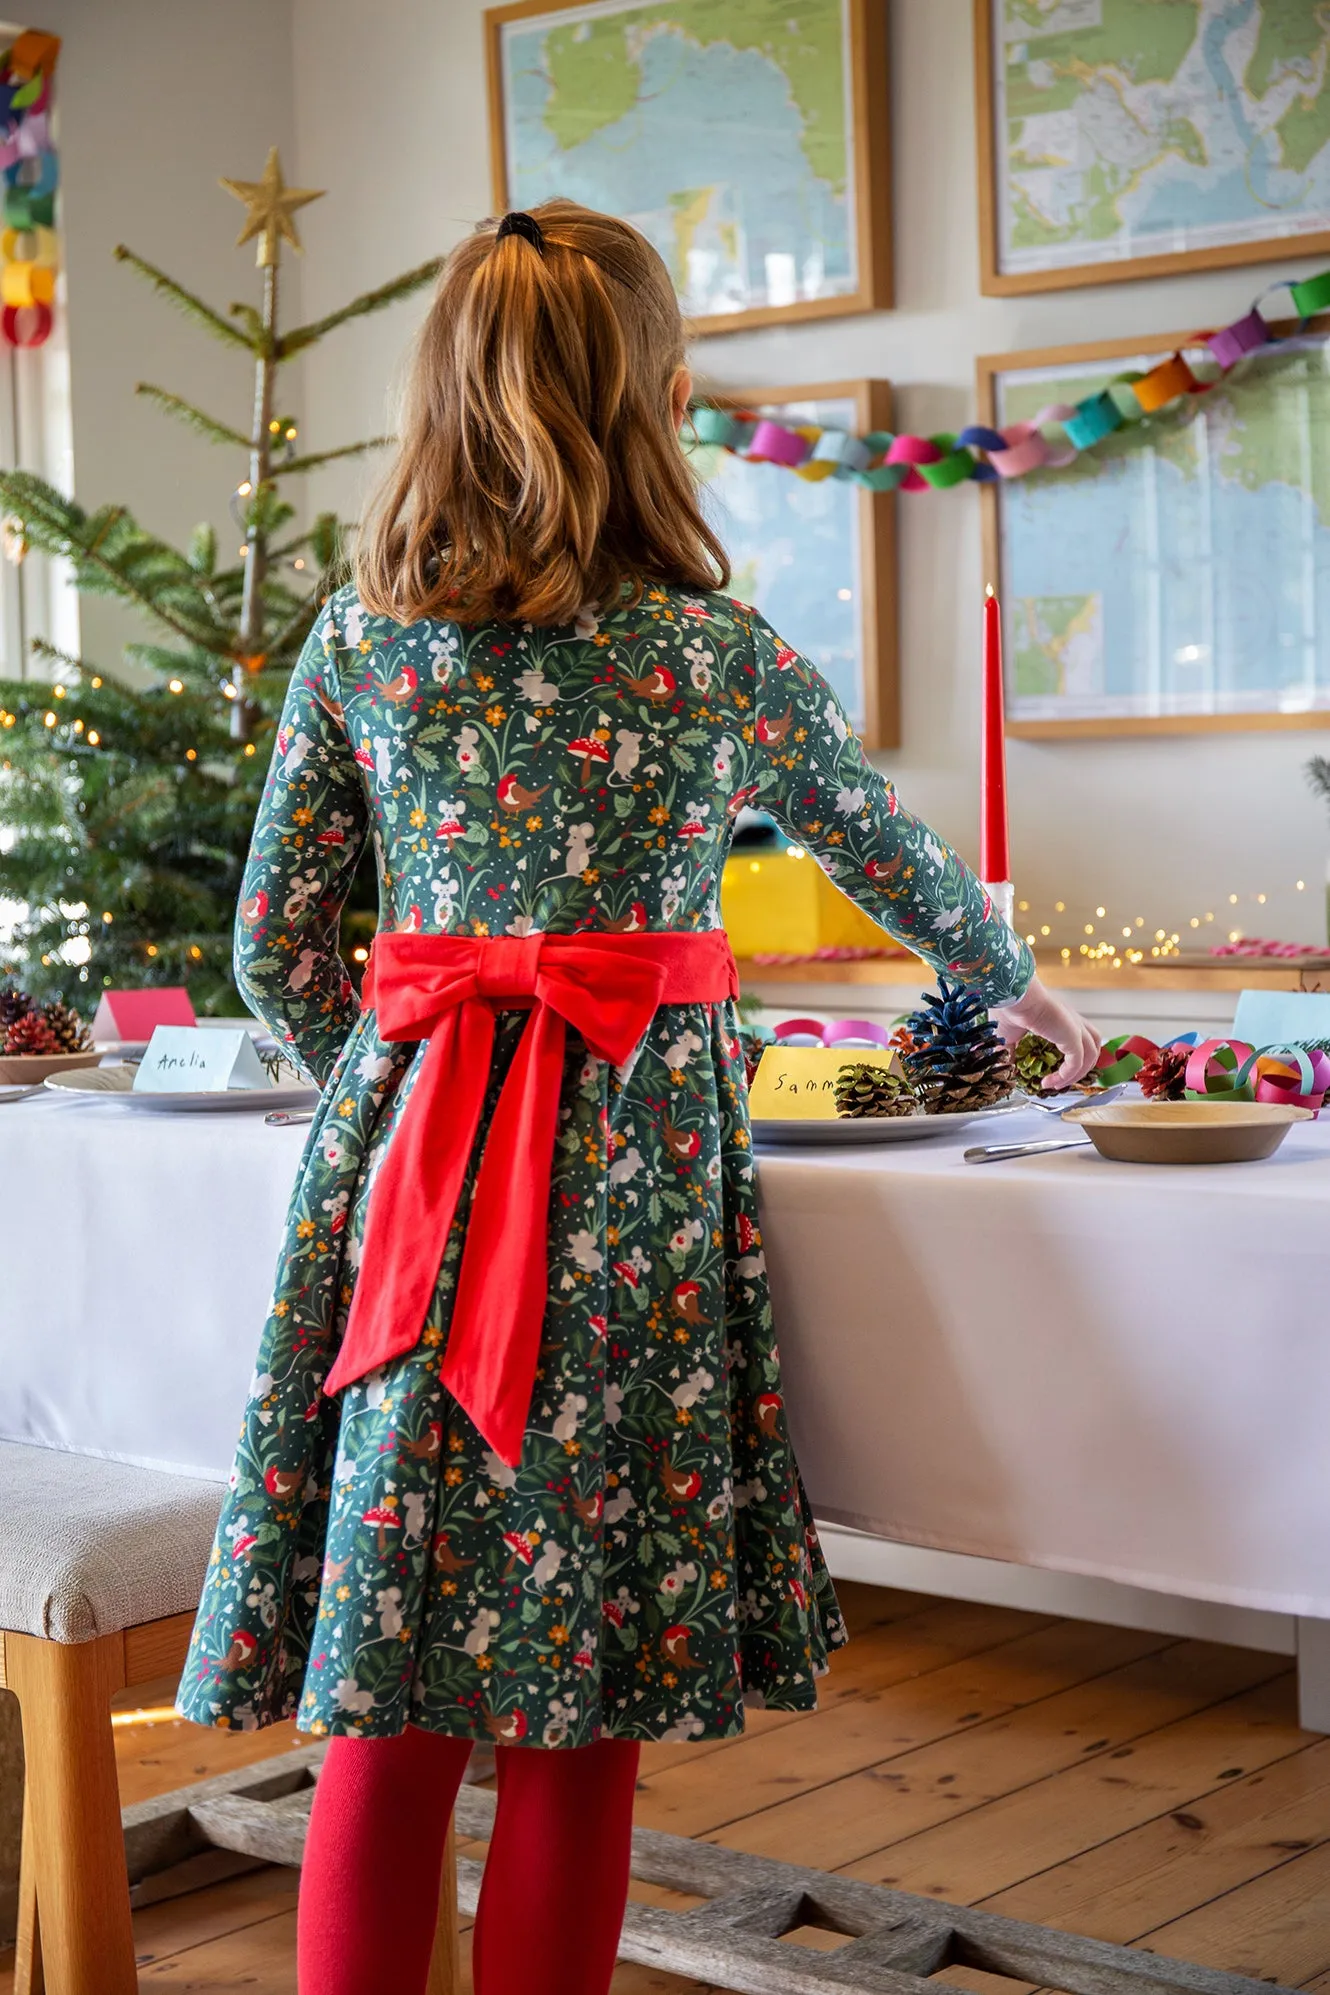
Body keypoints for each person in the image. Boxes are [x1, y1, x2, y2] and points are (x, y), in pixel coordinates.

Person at [176, 199, 1099, 1995]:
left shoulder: (360, 647)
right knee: (573, 1706)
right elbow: (885, 853)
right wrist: (1002, 979)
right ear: (661, 401)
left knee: (385, 1687)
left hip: (410, 1184)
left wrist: (381, 1086)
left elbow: (273, 949)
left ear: (439, 392)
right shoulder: (711, 652)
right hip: (631, 1199)